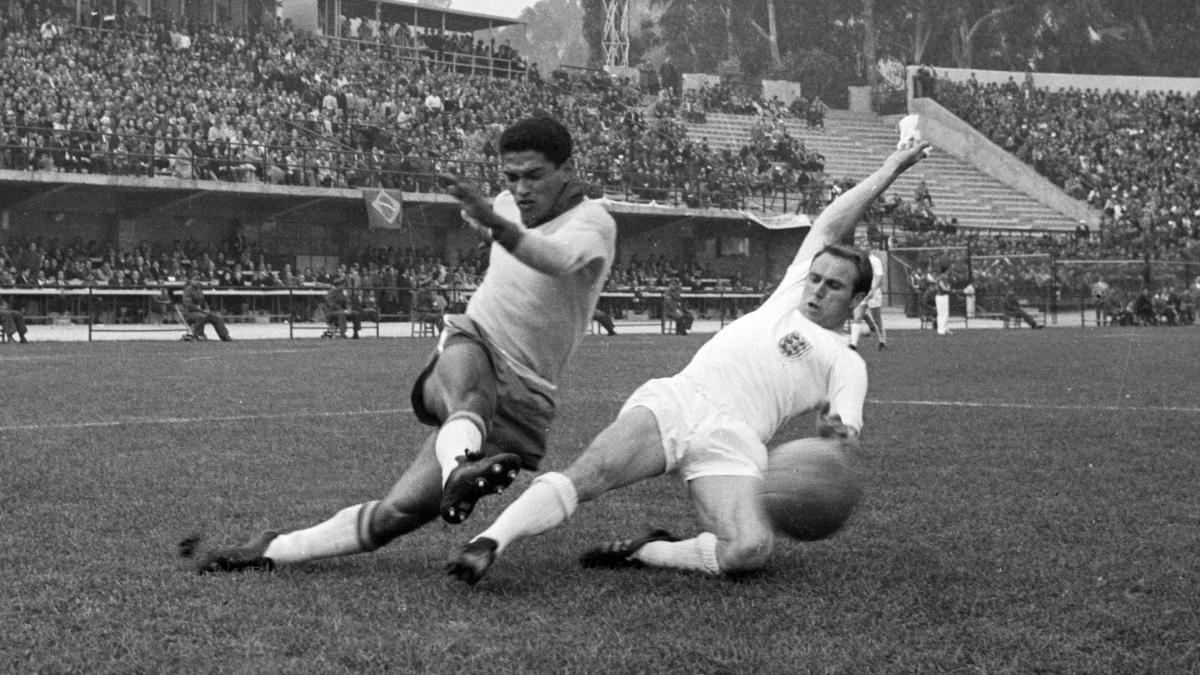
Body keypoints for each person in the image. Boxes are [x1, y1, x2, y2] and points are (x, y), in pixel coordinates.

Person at [446, 141, 931, 585]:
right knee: (589, 474)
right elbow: (828, 224)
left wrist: (836, 442)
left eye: (835, 286)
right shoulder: (789, 294)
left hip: (735, 441)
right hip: (680, 401)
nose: (819, 289)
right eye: (816, 278)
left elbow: (844, 437)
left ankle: (650, 550)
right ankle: (489, 542)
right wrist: (890, 167)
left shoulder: (847, 363)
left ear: (858, 298)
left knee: (750, 550)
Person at [182, 117, 617, 574]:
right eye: (511, 177)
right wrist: (489, 219)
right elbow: (508, 231)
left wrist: (489, 221)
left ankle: (272, 549)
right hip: (475, 341)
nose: (521, 189)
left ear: (567, 169)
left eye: (534, 176)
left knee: (398, 514)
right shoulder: (506, 205)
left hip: (527, 394)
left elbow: (552, 258)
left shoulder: (593, 222)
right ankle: (461, 470)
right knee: (471, 391)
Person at [848, 242, 886, 350]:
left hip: (874, 293)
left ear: (870, 248)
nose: (865, 247)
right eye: (863, 245)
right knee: (858, 316)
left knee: (877, 319)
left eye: (867, 245)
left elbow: (879, 278)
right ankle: (853, 344)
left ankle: (882, 340)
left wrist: (873, 291)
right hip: (862, 293)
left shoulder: (875, 260)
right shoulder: (858, 260)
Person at [180, 272, 232, 341]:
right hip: (189, 313)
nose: (197, 281)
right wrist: (202, 310)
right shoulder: (187, 290)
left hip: (201, 312)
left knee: (216, 317)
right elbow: (189, 305)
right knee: (202, 317)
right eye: (195, 280)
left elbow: (203, 302)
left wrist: (207, 309)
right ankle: (197, 335)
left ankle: (224, 336)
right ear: (190, 280)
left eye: (198, 280)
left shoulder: (199, 289)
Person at [934, 266, 952, 335]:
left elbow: (947, 286)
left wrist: (948, 288)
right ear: (945, 271)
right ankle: (941, 330)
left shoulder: (945, 278)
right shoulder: (941, 277)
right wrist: (947, 289)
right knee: (942, 313)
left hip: (944, 296)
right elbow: (942, 286)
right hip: (941, 297)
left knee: (946, 313)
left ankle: (945, 328)